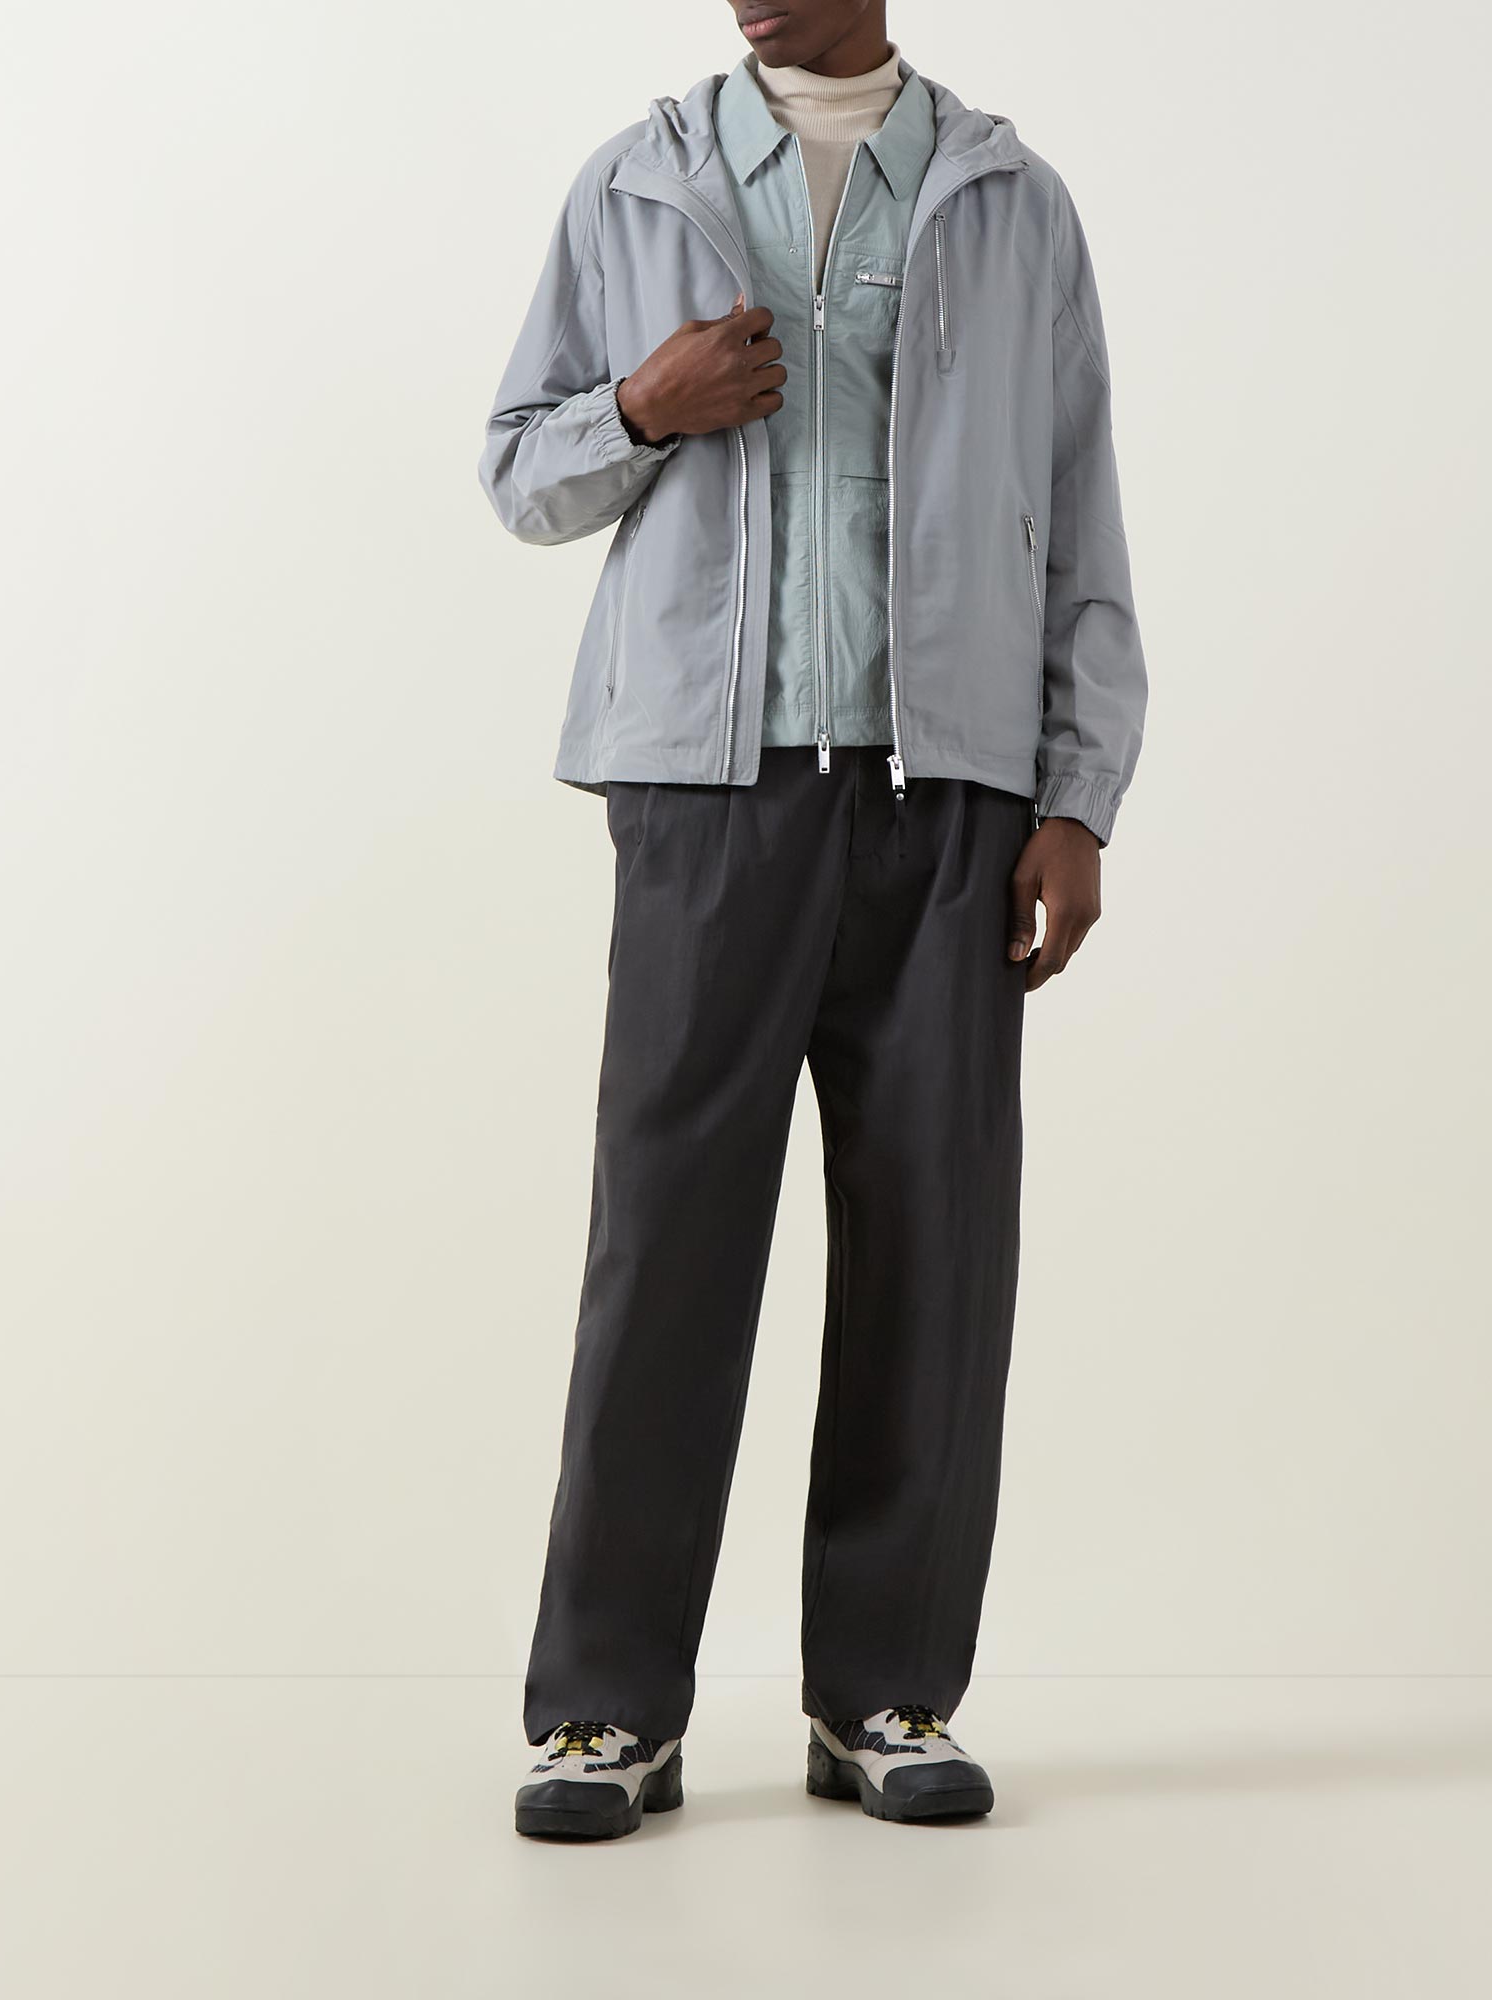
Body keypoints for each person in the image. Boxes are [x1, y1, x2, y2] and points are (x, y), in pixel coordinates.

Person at [482, 0, 1147, 1839]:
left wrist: (1077, 794)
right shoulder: (638, 185)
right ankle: (605, 1711)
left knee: (938, 1244)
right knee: (666, 1248)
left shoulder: (1008, 201)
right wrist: (643, 405)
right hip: (706, 789)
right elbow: (519, 470)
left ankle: (885, 1694)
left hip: (954, 800)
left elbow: (1079, 510)